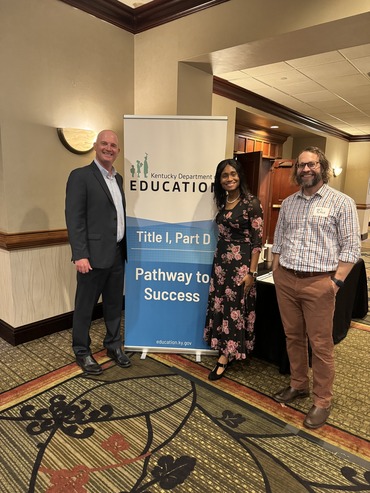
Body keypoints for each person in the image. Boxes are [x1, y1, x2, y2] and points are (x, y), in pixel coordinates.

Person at [271, 146, 361, 429]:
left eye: (311, 165)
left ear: (322, 167)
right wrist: (276, 269)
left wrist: (335, 282)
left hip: (319, 282)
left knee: (320, 345)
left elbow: (352, 248)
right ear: (296, 170)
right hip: (287, 278)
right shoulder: (289, 203)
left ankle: (322, 400)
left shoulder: (341, 202)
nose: (306, 169)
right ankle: (298, 385)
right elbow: (279, 236)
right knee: (293, 336)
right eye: (301, 165)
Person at [65, 129, 131, 375]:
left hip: (116, 254)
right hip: (91, 257)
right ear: (95, 146)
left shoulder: (119, 179)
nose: (109, 148)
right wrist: (79, 254)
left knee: (114, 305)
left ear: (118, 151)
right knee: (85, 306)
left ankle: (113, 345)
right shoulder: (81, 176)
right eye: (104, 143)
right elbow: (75, 218)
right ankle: (82, 351)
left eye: (113, 145)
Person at [204, 158, 263, 380]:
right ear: (220, 180)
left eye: (233, 174)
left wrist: (251, 273)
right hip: (221, 263)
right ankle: (222, 346)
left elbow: (258, 241)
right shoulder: (223, 202)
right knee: (221, 305)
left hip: (241, 265)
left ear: (240, 176)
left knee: (234, 308)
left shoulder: (251, 203)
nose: (229, 179)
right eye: (224, 175)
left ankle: (226, 356)